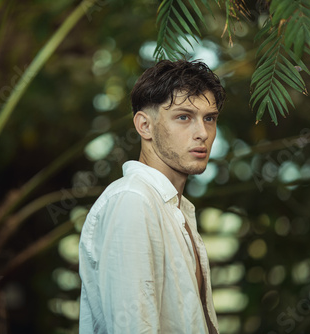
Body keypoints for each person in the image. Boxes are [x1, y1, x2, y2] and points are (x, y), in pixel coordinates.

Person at [78, 59, 226, 334]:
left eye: (210, 118)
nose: (203, 133)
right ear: (144, 126)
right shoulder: (133, 202)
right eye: (183, 117)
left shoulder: (174, 209)